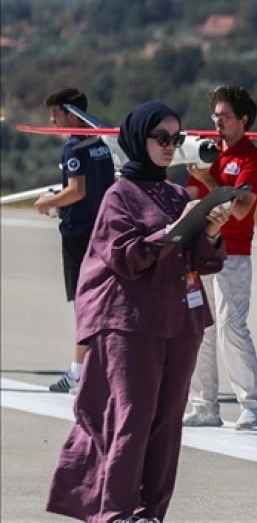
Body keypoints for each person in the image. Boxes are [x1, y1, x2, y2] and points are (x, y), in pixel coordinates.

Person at [47, 101, 229, 523]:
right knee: (131, 418)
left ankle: (151, 512)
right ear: (136, 139)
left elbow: (203, 261)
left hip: (179, 322)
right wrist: (173, 230)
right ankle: (116, 511)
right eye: (161, 137)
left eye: (176, 139)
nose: (170, 146)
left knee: (167, 423)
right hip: (129, 323)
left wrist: (211, 230)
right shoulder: (119, 196)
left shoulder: (177, 194)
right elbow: (126, 257)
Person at [183, 84, 257, 430]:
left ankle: (252, 404)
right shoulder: (206, 151)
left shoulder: (252, 159)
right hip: (199, 248)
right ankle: (204, 406)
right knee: (199, 328)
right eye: (215, 115)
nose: (217, 122)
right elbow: (190, 193)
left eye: (225, 116)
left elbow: (241, 209)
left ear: (243, 120)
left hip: (232, 253)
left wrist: (207, 177)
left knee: (230, 327)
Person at [34, 88, 115, 394]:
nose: (52, 120)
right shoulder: (101, 144)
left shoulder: (73, 147)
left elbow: (77, 190)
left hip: (79, 235)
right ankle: (96, 367)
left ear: (71, 114)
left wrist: (48, 202)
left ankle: (78, 372)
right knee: (101, 302)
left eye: (55, 113)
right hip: (101, 232)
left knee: (85, 304)